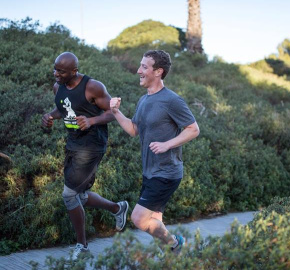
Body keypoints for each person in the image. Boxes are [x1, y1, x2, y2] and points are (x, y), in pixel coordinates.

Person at [109, 50, 200, 254]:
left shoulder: (172, 100)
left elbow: (193, 129)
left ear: (158, 71)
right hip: (150, 171)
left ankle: (176, 244)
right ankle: (170, 255)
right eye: (140, 65)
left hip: (166, 172)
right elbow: (134, 129)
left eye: (144, 67)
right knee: (154, 219)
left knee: (139, 219)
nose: (139, 70)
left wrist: (168, 144)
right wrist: (115, 112)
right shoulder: (144, 100)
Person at [41, 52, 129, 260]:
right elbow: (63, 108)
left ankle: (83, 247)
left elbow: (113, 112)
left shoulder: (92, 87)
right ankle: (118, 208)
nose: (56, 74)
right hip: (73, 143)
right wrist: (50, 116)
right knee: (78, 195)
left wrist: (91, 121)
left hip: (91, 146)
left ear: (74, 71)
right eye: (55, 69)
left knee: (69, 195)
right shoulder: (58, 87)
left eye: (61, 71)